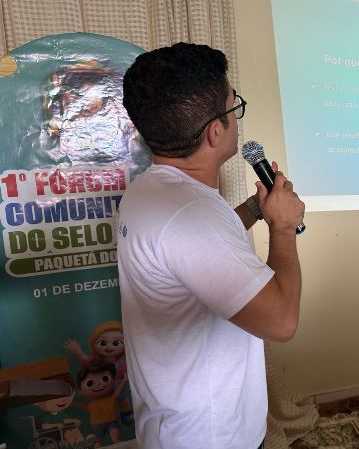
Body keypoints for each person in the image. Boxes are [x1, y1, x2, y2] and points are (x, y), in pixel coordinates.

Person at [117, 43, 305, 448]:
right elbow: (281, 321)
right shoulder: (192, 214)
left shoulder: (151, 191)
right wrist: (284, 227)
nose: (236, 115)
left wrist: (257, 208)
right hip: (211, 434)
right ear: (215, 131)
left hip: (174, 421)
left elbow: (200, 254)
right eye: (233, 105)